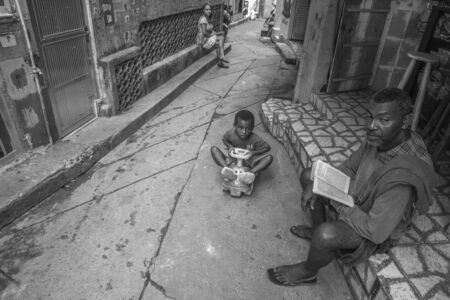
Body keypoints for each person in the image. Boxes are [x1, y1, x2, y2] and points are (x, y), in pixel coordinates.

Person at [267, 88, 438, 286]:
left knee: (326, 235)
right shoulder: (380, 138)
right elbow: (349, 167)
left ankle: (308, 271)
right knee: (309, 175)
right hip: (360, 197)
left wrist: (338, 203)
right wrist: (321, 183)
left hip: (375, 227)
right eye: (371, 117)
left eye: (383, 120)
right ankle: (316, 229)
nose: (372, 126)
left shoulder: (402, 178)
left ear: (405, 123)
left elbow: (376, 232)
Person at [211, 110, 273, 184]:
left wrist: (254, 152)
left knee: (269, 158)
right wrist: (230, 146)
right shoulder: (231, 133)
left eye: (248, 128)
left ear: (252, 127)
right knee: (214, 149)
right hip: (232, 160)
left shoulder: (255, 138)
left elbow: (267, 147)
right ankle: (227, 170)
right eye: (240, 128)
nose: (244, 132)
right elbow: (224, 139)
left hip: (249, 163)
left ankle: (248, 174)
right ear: (234, 125)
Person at [197, 4, 229, 68]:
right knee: (220, 39)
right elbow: (204, 33)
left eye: (209, 9)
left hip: (207, 38)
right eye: (207, 10)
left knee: (221, 35)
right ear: (203, 11)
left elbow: (210, 31)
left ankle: (220, 61)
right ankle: (222, 56)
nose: (209, 11)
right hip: (203, 40)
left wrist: (216, 33)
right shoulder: (203, 19)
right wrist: (215, 34)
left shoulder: (207, 18)